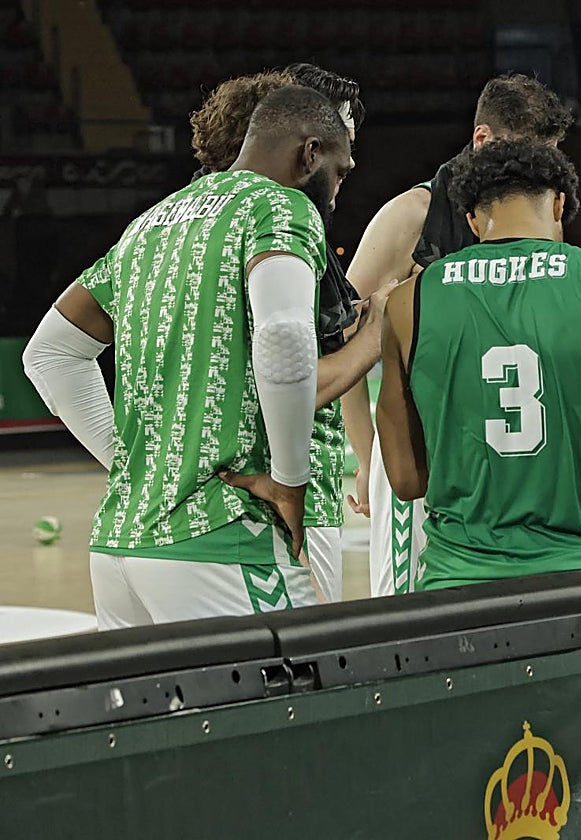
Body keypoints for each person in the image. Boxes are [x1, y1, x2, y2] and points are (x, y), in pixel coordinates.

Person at [23, 86, 354, 626]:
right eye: (340, 172)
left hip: (119, 545)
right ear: (309, 154)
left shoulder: (149, 224)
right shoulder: (281, 206)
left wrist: (137, 466)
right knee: (281, 706)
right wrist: (290, 481)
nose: (338, 192)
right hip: (220, 539)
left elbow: (49, 354)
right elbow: (284, 336)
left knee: (150, 712)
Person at [375, 138, 581, 590]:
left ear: (473, 219)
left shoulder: (407, 302)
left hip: (459, 582)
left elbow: (407, 480)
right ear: (558, 205)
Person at [345, 73, 572, 598]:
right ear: (483, 141)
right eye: (530, 158)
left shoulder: (541, 218)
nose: (540, 177)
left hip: (509, 444)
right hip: (422, 451)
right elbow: (339, 340)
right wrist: (365, 456)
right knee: (409, 610)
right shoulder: (411, 215)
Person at [188, 64, 393, 602]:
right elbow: (292, 366)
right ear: (307, 142)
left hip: (184, 507)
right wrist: (374, 335)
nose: (350, 157)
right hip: (275, 496)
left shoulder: (178, 221)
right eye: (340, 135)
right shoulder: (282, 221)